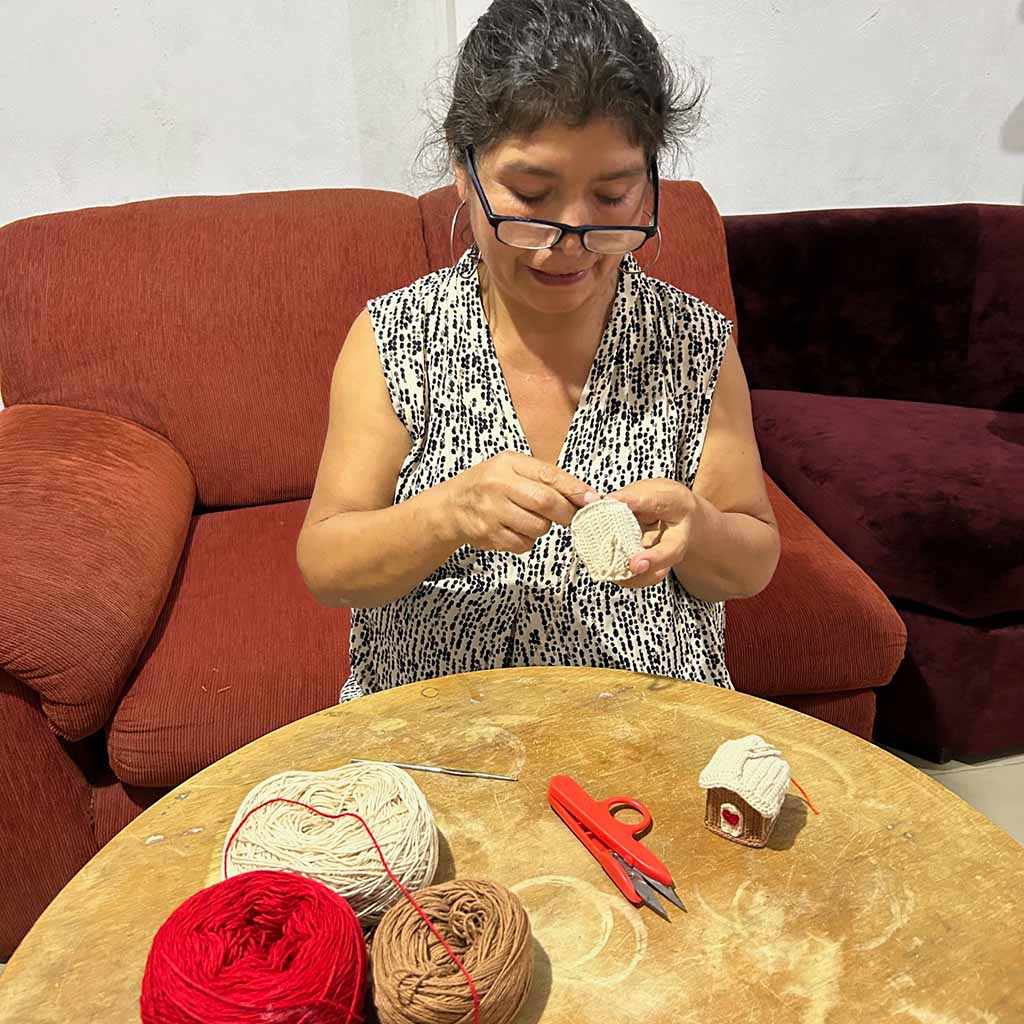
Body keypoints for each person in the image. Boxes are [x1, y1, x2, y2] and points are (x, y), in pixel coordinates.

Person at [296, 0, 780, 700]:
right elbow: (326, 563)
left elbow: (752, 560)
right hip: (441, 723)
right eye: (531, 193)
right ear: (464, 171)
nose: (572, 239)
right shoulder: (399, 337)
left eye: (614, 196)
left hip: (644, 721)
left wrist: (698, 530)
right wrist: (446, 515)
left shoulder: (690, 341)